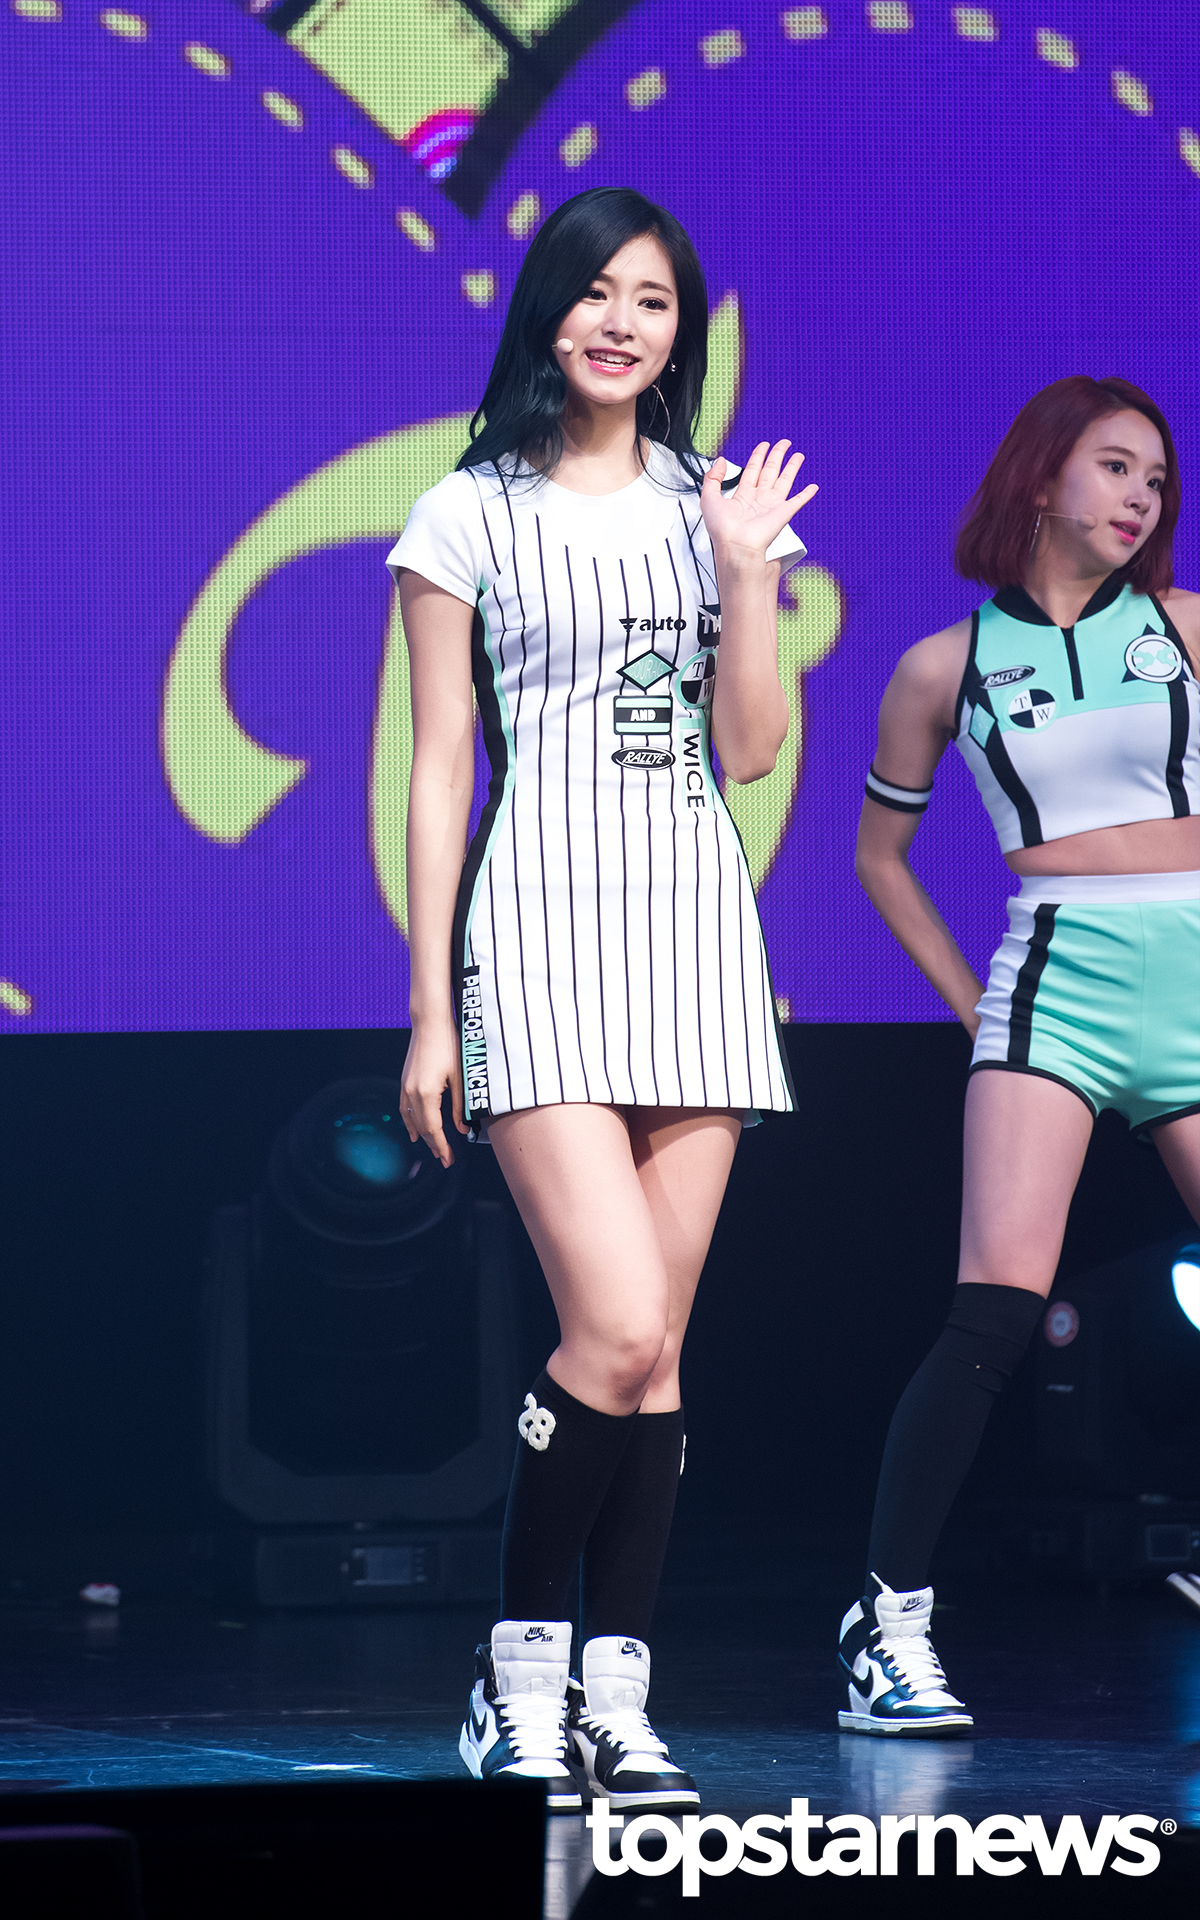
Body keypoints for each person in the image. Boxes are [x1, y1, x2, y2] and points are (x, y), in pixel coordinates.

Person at [387, 187, 816, 1807]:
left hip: (696, 937)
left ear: (678, 332)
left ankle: (617, 1701)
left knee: (664, 1354)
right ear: (547, 311)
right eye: (595, 293)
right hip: (539, 933)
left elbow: (752, 750)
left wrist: (745, 573)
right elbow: (440, 770)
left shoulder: (715, 506)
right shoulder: (465, 514)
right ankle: (514, 1682)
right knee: (614, 1327)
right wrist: (432, 1009)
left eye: (652, 300)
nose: (620, 323)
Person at [846, 376, 1200, 1735]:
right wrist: (972, 1008)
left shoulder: (1183, 628)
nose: (1140, 496)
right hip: (1056, 980)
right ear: (1043, 476)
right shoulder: (945, 667)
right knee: (992, 1314)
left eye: (1156, 480)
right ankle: (886, 1626)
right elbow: (881, 858)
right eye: (1115, 466)